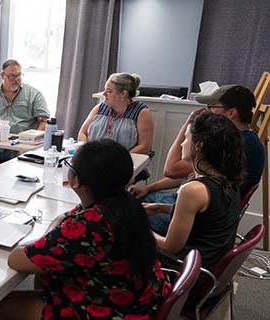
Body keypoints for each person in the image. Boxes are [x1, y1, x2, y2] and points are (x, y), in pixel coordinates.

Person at [0, 139, 168, 320]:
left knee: (2, 306)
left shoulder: (88, 227)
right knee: (46, 276)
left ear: (76, 180)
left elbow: (17, 259)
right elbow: (69, 219)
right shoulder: (126, 205)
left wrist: (50, 233)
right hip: (137, 310)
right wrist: (57, 230)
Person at [131, 85, 264, 235]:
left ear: (231, 113)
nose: (206, 111)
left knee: (126, 214)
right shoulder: (242, 138)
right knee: (134, 201)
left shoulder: (232, 145)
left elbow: (171, 169)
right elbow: (192, 172)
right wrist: (149, 187)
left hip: (200, 217)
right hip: (201, 208)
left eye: (211, 106)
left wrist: (189, 127)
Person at [144, 112, 243, 269]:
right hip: (208, 266)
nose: (182, 144)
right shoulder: (228, 177)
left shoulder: (193, 190)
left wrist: (139, 229)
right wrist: (164, 208)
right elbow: (209, 216)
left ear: (199, 145)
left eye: (186, 138)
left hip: (185, 271)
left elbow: (170, 246)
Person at [78, 73, 154, 154]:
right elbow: (82, 133)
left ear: (123, 94)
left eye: (109, 91)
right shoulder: (99, 108)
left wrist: (118, 159)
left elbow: (144, 147)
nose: (104, 94)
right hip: (94, 159)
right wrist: (87, 152)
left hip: (125, 162)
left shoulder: (142, 112)